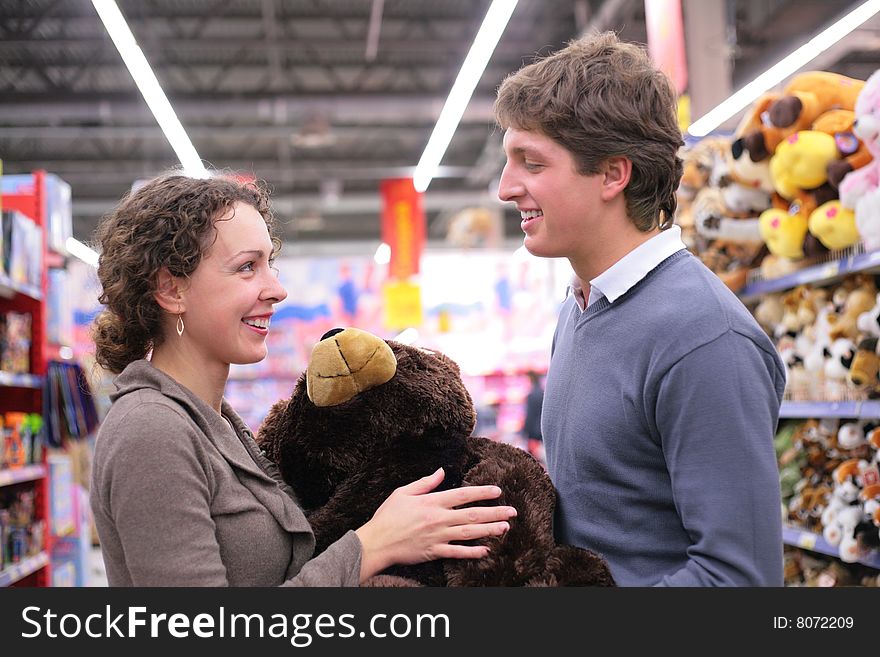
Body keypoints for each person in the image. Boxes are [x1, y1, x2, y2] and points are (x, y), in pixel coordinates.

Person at [89, 173, 516, 586]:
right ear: (171, 290)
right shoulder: (152, 431)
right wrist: (370, 547)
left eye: (269, 263)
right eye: (246, 268)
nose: (277, 288)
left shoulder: (213, 422)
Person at [494, 32, 785, 586]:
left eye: (530, 163)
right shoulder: (580, 309)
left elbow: (739, 581)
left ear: (612, 174)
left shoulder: (704, 339)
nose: (506, 188)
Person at [521, 371, 544, 460]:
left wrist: (524, 433)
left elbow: (529, 417)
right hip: (541, 431)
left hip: (534, 434)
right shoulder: (543, 392)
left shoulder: (532, 395)